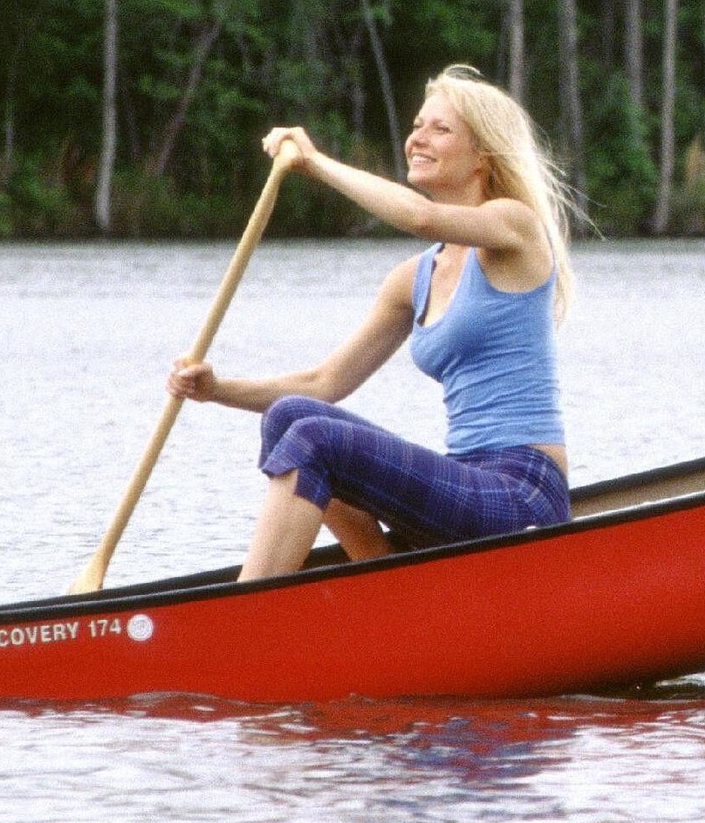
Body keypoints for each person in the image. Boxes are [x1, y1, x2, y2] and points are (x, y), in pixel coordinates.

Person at [167, 66, 579, 580]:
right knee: (290, 417)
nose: (417, 139)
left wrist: (315, 163)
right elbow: (325, 383)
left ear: (483, 156)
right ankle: (382, 575)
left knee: (317, 440)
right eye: (416, 125)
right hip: (465, 482)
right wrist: (215, 388)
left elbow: (420, 218)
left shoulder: (515, 226)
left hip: (522, 495)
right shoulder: (413, 280)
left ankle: (243, 612)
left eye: (440, 129)